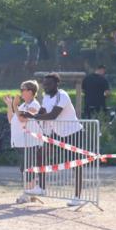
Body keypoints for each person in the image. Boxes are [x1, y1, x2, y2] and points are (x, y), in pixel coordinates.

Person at [23, 73, 84, 206]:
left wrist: (33, 117)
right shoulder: (45, 97)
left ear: (56, 84)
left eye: (49, 84)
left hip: (73, 133)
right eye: (44, 84)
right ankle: (42, 188)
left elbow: (53, 115)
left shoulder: (62, 95)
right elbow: (43, 112)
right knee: (41, 153)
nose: (45, 87)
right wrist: (31, 114)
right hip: (57, 133)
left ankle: (78, 196)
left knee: (76, 164)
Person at [5, 80, 42, 203]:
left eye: (23, 89)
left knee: (28, 168)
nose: (21, 92)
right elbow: (11, 119)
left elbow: (22, 119)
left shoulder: (34, 105)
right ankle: (30, 193)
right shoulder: (23, 106)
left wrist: (15, 106)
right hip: (21, 142)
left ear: (30, 92)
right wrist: (10, 105)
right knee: (24, 168)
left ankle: (27, 193)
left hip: (30, 142)